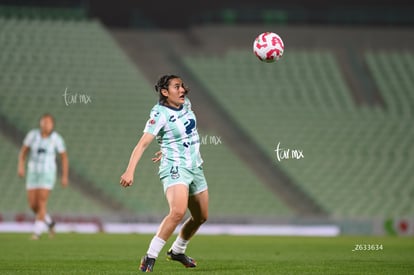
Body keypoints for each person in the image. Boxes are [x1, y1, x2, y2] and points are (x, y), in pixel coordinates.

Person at [120, 74, 209, 272]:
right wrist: (129, 171)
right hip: (175, 167)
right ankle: (150, 256)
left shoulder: (186, 104)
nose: (183, 90)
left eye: (182, 86)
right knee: (178, 211)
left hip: (196, 166)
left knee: (201, 216)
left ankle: (177, 251)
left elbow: (184, 133)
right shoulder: (159, 114)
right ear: (165, 92)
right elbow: (142, 144)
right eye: (177, 87)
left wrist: (167, 146)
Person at [18, 113, 69, 240]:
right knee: (33, 205)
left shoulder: (56, 138)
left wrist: (64, 176)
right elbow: (23, 152)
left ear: (52, 125)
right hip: (33, 172)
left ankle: (37, 232)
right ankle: (50, 223)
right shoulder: (32, 135)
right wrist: (21, 166)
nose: (46, 125)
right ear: (40, 123)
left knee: (41, 202)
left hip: (47, 173)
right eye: (44, 122)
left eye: (48, 122)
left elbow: (64, 158)